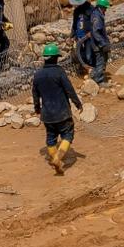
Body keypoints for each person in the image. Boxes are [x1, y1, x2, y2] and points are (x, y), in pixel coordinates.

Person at [31, 43, 83, 175]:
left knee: (51, 138)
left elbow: (35, 94)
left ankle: (55, 159)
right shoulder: (59, 72)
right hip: (62, 112)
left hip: (47, 115)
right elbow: (69, 89)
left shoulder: (38, 75)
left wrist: (37, 109)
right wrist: (77, 103)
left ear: (44, 58)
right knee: (68, 134)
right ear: (56, 58)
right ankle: (58, 157)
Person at [68, 0, 95, 76]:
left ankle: (92, 72)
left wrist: (92, 32)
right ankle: (85, 71)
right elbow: (74, 24)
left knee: (88, 55)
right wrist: (71, 36)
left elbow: (96, 23)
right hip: (79, 37)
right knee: (81, 54)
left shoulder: (92, 10)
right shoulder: (76, 11)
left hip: (88, 37)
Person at [90, 0, 112, 84]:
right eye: (105, 8)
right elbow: (96, 32)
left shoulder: (96, 14)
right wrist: (103, 44)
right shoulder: (97, 16)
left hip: (97, 43)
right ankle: (99, 80)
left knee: (99, 60)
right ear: (101, 7)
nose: (106, 10)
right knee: (101, 61)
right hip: (98, 45)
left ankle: (94, 75)